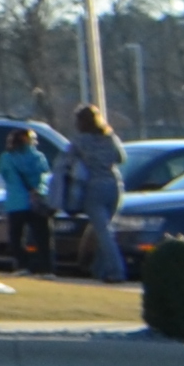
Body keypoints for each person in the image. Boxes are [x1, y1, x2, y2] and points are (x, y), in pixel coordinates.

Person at [54, 102, 125, 282]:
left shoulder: (79, 141)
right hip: (114, 185)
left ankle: (117, 271)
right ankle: (99, 270)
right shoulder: (109, 137)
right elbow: (121, 158)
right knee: (106, 229)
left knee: (103, 232)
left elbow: (65, 162)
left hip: (93, 187)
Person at [0, 121, 50, 277]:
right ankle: (46, 268)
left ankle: (22, 265)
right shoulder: (38, 157)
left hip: (16, 202)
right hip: (36, 201)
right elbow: (43, 175)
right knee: (42, 236)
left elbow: (5, 175)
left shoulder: (6, 158)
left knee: (16, 237)